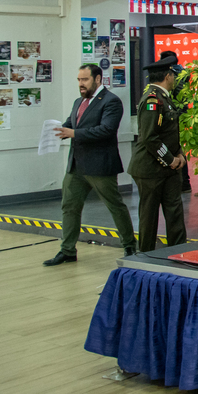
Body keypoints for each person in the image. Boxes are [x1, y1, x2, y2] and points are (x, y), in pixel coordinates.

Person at [44, 64, 137, 265]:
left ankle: (130, 245)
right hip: (76, 165)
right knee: (69, 206)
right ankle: (67, 250)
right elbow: (71, 124)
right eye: (79, 80)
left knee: (115, 206)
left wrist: (74, 133)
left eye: (85, 80)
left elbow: (106, 130)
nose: (81, 84)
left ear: (97, 79)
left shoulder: (111, 101)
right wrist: (58, 131)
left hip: (100, 166)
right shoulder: (79, 102)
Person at [128, 51, 188, 252]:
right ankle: (146, 256)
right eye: (173, 75)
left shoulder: (164, 98)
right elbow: (150, 137)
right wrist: (171, 159)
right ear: (167, 76)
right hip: (149, 170)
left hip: (168, 170)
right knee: (149, 216)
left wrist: (179, 155)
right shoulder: (152, 100)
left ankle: (178, 252)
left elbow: (170, 133)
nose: (174, 79)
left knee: (175, 213)